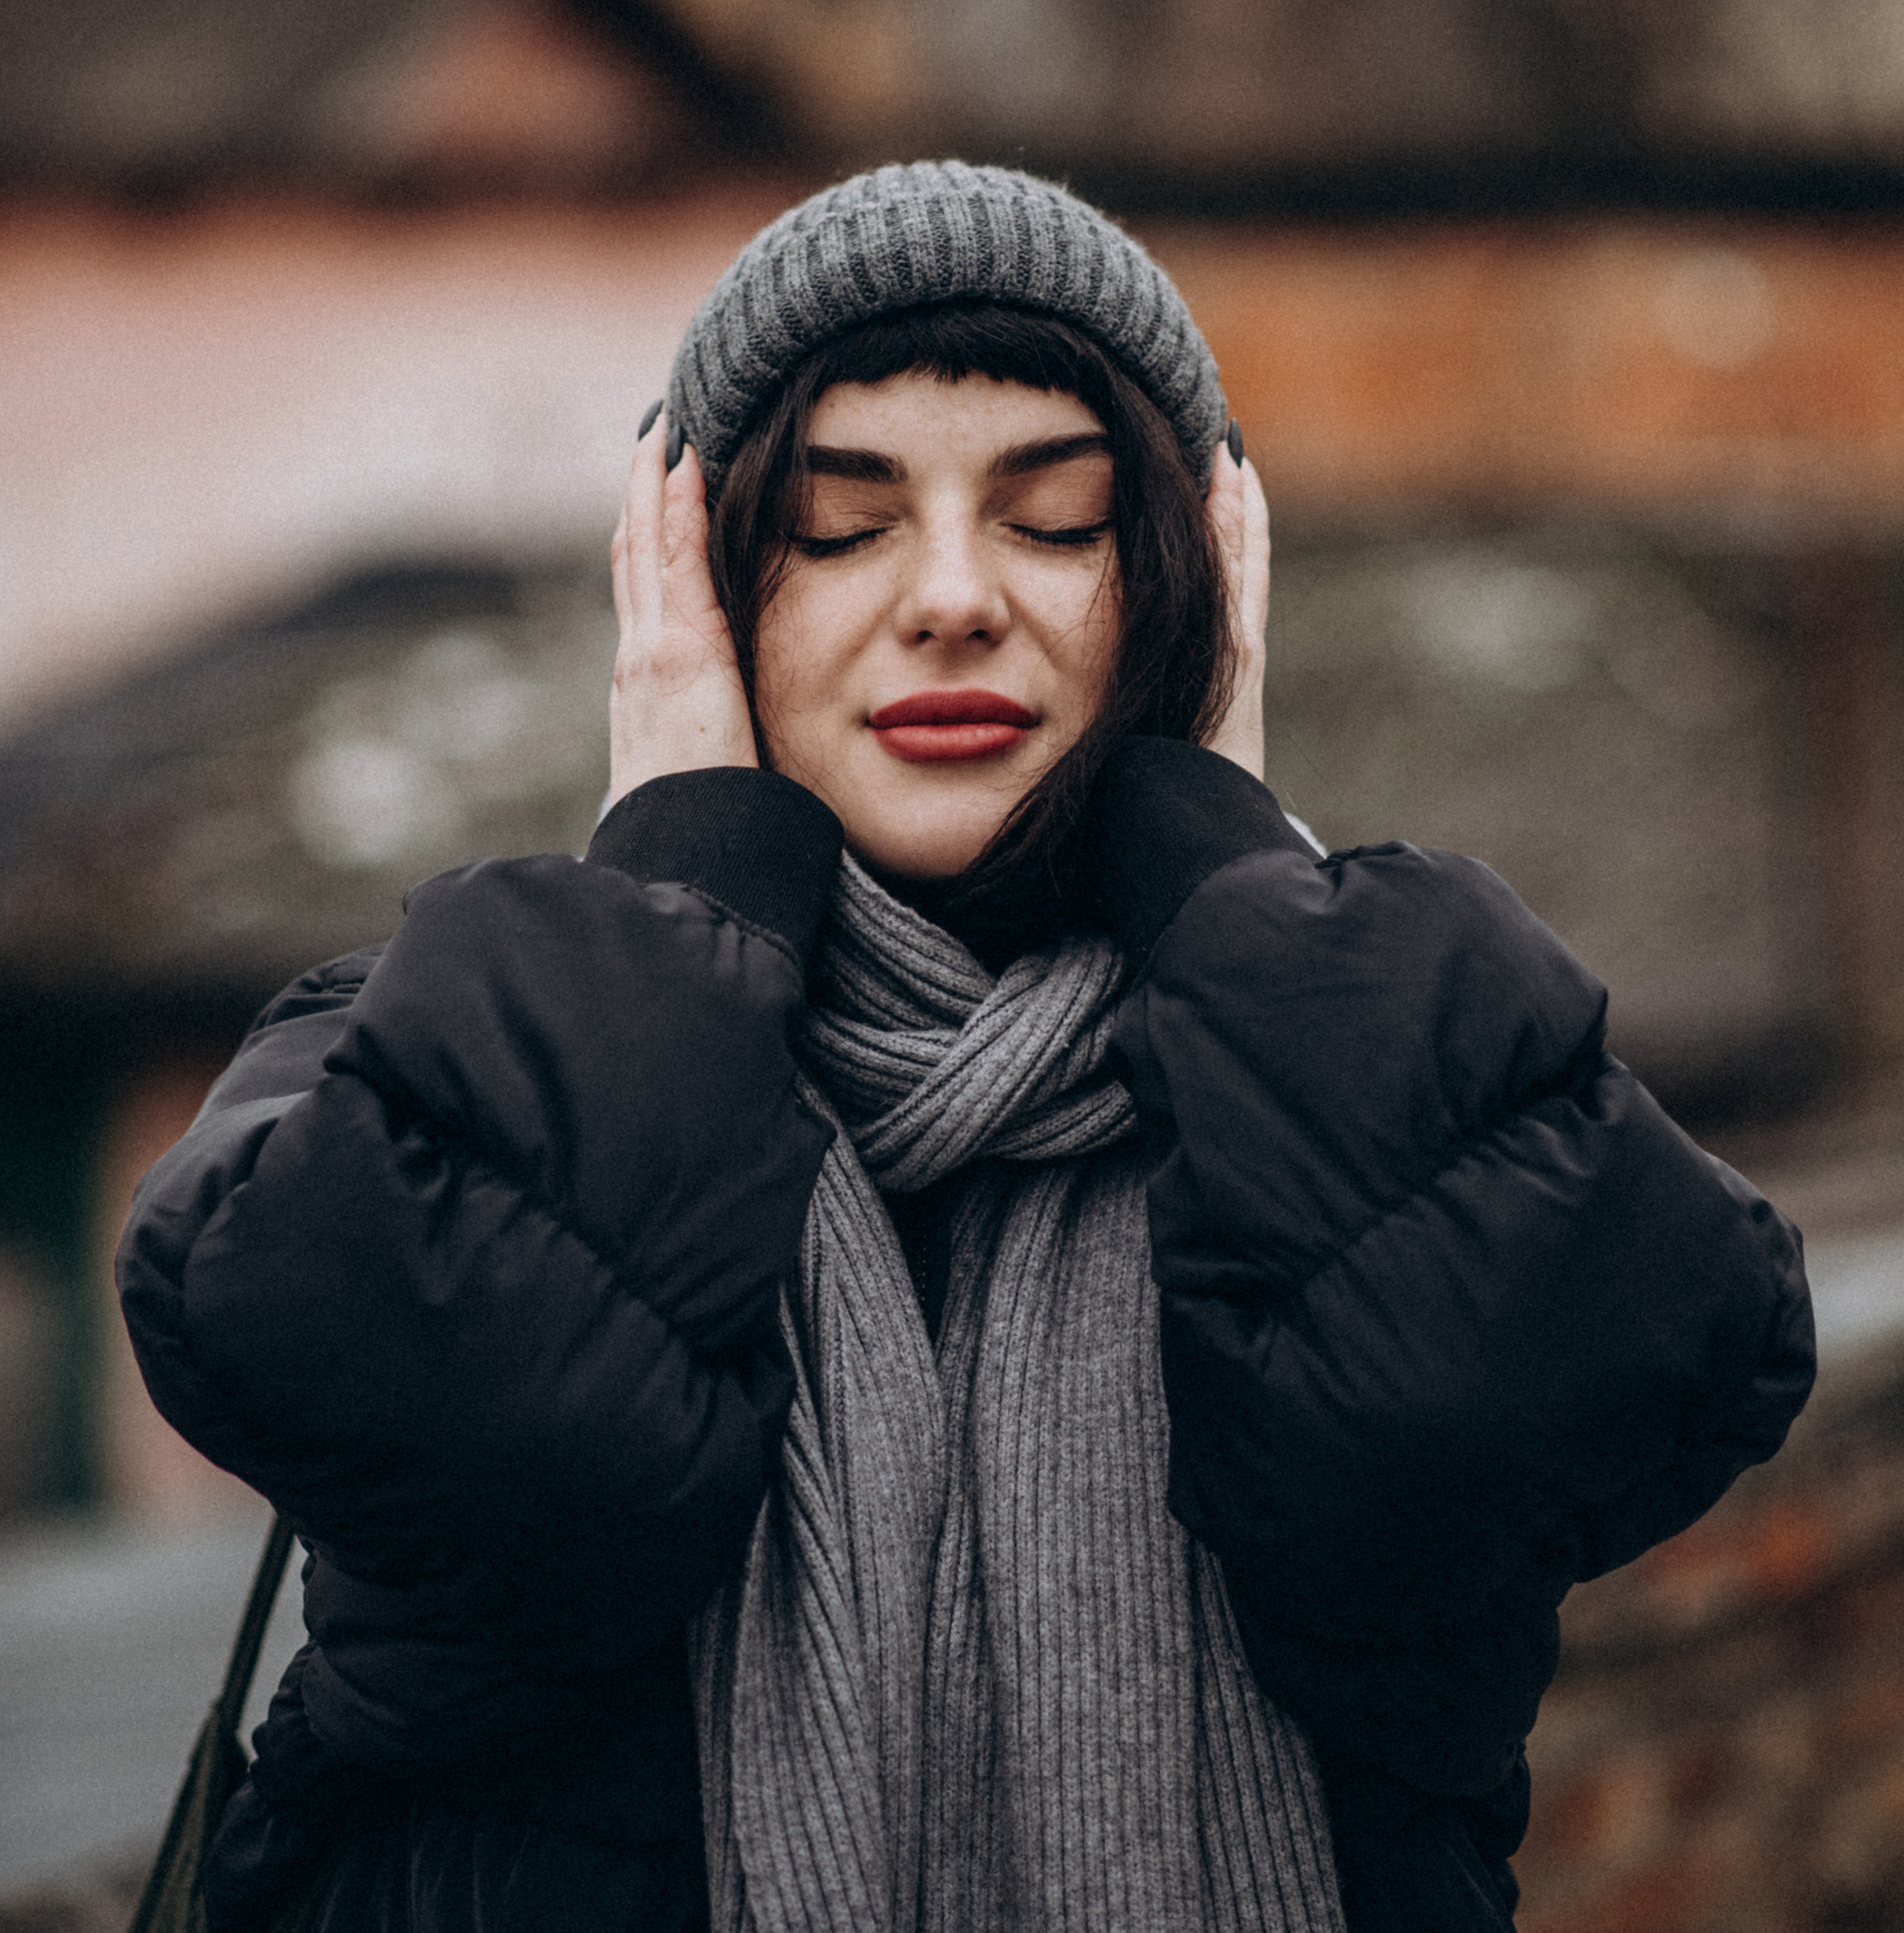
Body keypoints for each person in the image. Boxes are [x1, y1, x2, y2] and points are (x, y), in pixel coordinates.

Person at [119, 162, 1814, 1933]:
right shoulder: (428, 1041)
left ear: (1176, 578)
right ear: (696, 590)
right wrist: (682, 869)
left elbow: (1540, 1382)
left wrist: (1225, 859)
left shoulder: (1314, 1063)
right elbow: (471, 1431)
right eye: (841, 528)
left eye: (1057, 519)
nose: (948, 595)